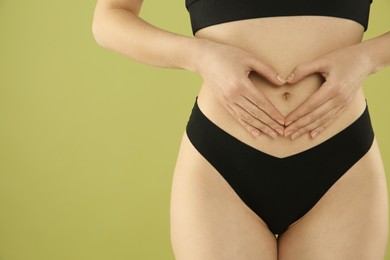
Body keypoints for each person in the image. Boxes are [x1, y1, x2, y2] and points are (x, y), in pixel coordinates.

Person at [92, 0, 390, 259]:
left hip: (341, 167)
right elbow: (109, 18)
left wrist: (368, 59)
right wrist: (200, 57)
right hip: (221, 168)